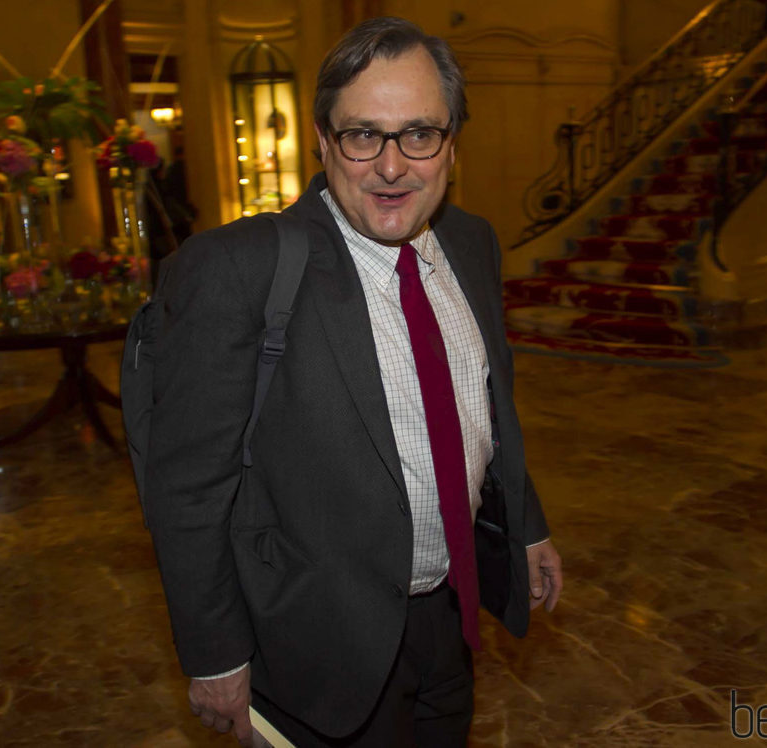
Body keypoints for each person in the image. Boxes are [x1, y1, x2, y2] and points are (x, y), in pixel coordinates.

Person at [143, 17, 562, 747]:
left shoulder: (472, 243)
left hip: (449, 615)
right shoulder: (237, 270)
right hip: (313, 639)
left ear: (452, 141)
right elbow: (187, 488)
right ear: (322, 140)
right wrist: (216, 654)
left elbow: (487, 408)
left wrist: (524, 526)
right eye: (363, 135)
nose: (392, 166)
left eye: (419, 134)